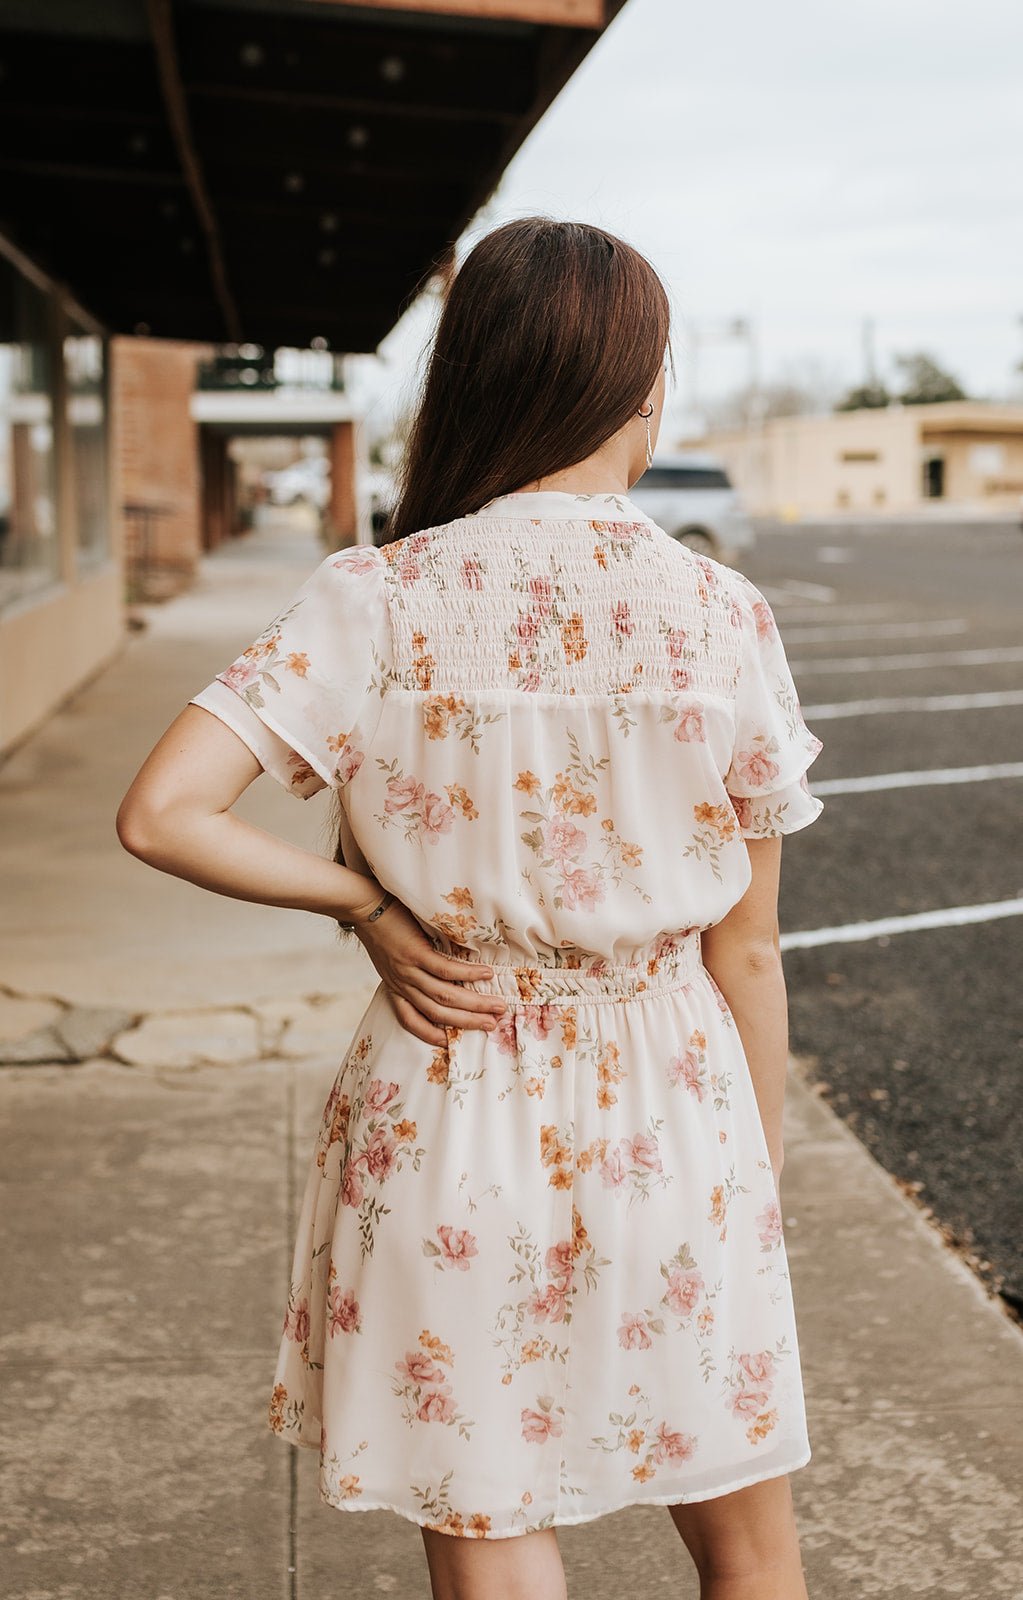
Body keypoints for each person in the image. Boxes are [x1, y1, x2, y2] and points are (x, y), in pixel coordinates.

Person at [117, 217, 824, 1600]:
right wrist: (761, 1165)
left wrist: (365, 905)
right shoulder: (720, 613)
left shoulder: (379, 599)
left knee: (494, 1525)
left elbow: (161, 814)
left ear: (481, 378)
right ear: (640, 385)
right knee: (748, 1548)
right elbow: (749, 942)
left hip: (453, 1096)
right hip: (681, 1111)